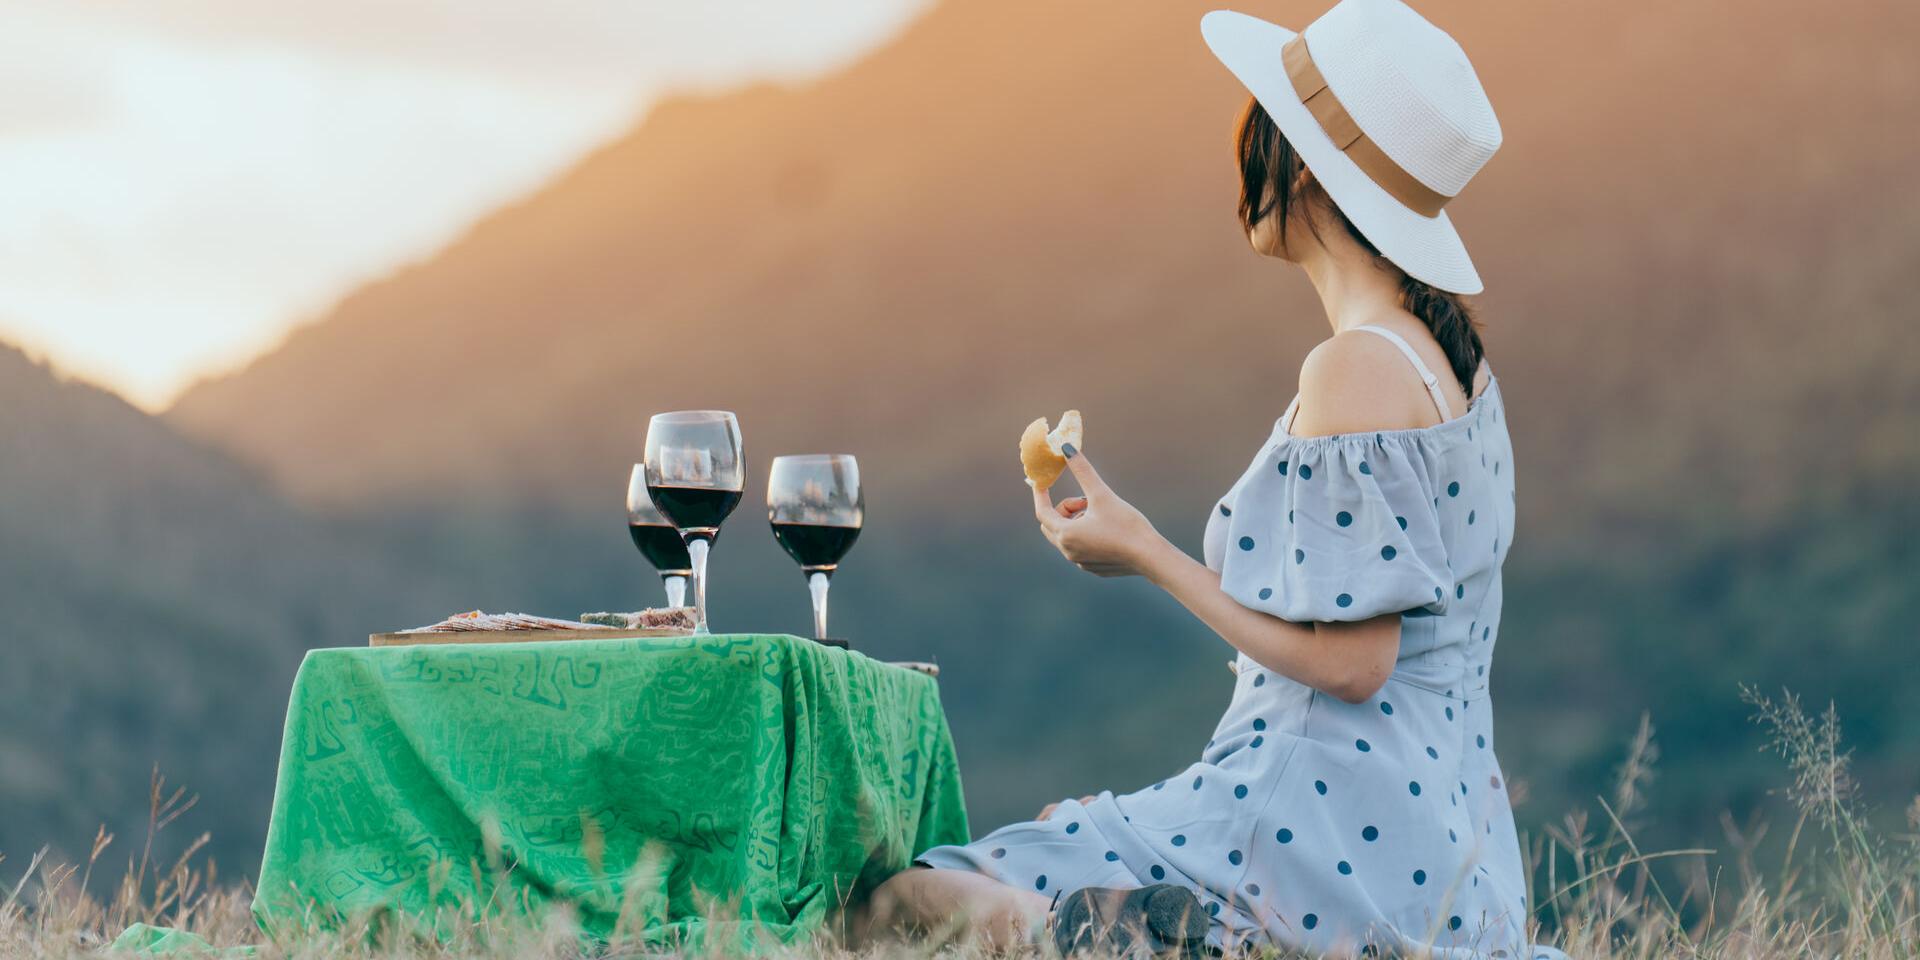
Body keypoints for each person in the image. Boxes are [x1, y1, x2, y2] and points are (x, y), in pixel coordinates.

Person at [855, 0, 1561, 956]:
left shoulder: (1352, 367)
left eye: (1259, 130)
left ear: (1302, 165)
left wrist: (1142, 551)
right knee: (1043, 862)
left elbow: (1354, 665)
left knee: (900, 903)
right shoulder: (1457, 370)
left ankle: (1111, 938)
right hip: (1433, 850)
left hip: (1313, 834)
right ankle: (1110, 923)